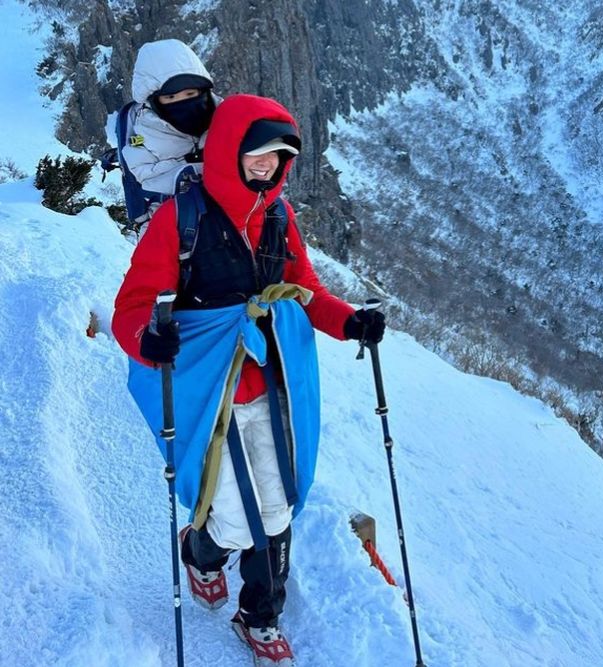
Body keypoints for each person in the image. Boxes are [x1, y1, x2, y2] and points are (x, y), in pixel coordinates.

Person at [112, 93, 385, 666]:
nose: (268, 167)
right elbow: (133, 305)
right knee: (234, 517)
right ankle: (202, 552)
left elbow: (306, 292)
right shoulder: (180, 219)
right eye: (258, 155)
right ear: (229, 150)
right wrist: (147, 339)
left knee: (280, 503)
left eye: (279, 158)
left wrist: (351, 322)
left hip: (273, 381)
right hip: (213, 392)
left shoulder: (279, 218)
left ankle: (260, 615)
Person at [121, 39, 219, 230]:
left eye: (190, 94)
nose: (182, 102)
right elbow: (144, 176)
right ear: (154, 100)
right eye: (171, 97)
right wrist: (188, 165)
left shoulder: (224, 115)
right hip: (169, 222)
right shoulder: (145, 132)